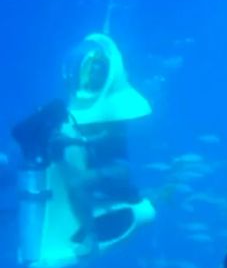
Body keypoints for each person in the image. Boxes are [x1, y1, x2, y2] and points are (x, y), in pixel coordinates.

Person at [50, 34, 151, 253]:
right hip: (94, 163)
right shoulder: (83, 100)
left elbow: (108, 136)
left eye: (100, 68)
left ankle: (90, 238)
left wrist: (76, 140)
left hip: (118, 167)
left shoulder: (117, 104)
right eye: (92, 67)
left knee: (78, 183)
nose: (95, 71)